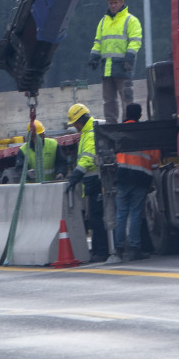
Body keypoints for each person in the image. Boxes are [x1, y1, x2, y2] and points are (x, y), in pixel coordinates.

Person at [89, 0, 143, 123]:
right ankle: (111, 125)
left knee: (127, 99)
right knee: (108, 102)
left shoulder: (131, 20)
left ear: (122, 2)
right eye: (110, 3)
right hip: (107, 69)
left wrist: (130, 57)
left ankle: (128, 124)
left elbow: (135, 41)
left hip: (123, 68)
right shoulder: (103, 22)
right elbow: (98, 42)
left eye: (115, 2)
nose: (113, 5)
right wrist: (94, 56)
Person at [114, 102, 159, 261]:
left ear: (126, 114)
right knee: (135, 214)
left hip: (122, 177)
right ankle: (134, 248)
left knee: (121, 214)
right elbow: (154, 160)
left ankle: (118, 249)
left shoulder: (119, 131)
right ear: (140, 115)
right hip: (140, 179)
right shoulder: (145, 133)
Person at [64, 102, 107, 259]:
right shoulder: (88, 132)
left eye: (74, 123)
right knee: (95, 219)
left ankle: (101, 251)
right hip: (93, 184)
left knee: (98, 219)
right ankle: (97, 250)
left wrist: (74, 177)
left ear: (80, 120)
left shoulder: (90, 134)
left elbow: (87, 160)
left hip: (96, 183)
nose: (74, 126)